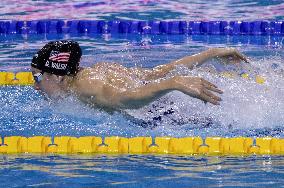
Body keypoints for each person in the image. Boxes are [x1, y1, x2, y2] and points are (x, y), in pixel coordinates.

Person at [31, 40, 248, 112]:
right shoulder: (99, 69)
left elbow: (125, 99)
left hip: (164, 117)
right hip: (170, 107)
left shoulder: (86, 85)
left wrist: (175, 82)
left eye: (38, 78)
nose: (36, 87)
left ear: (58, 76)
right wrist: (210, 53)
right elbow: (155, 73)